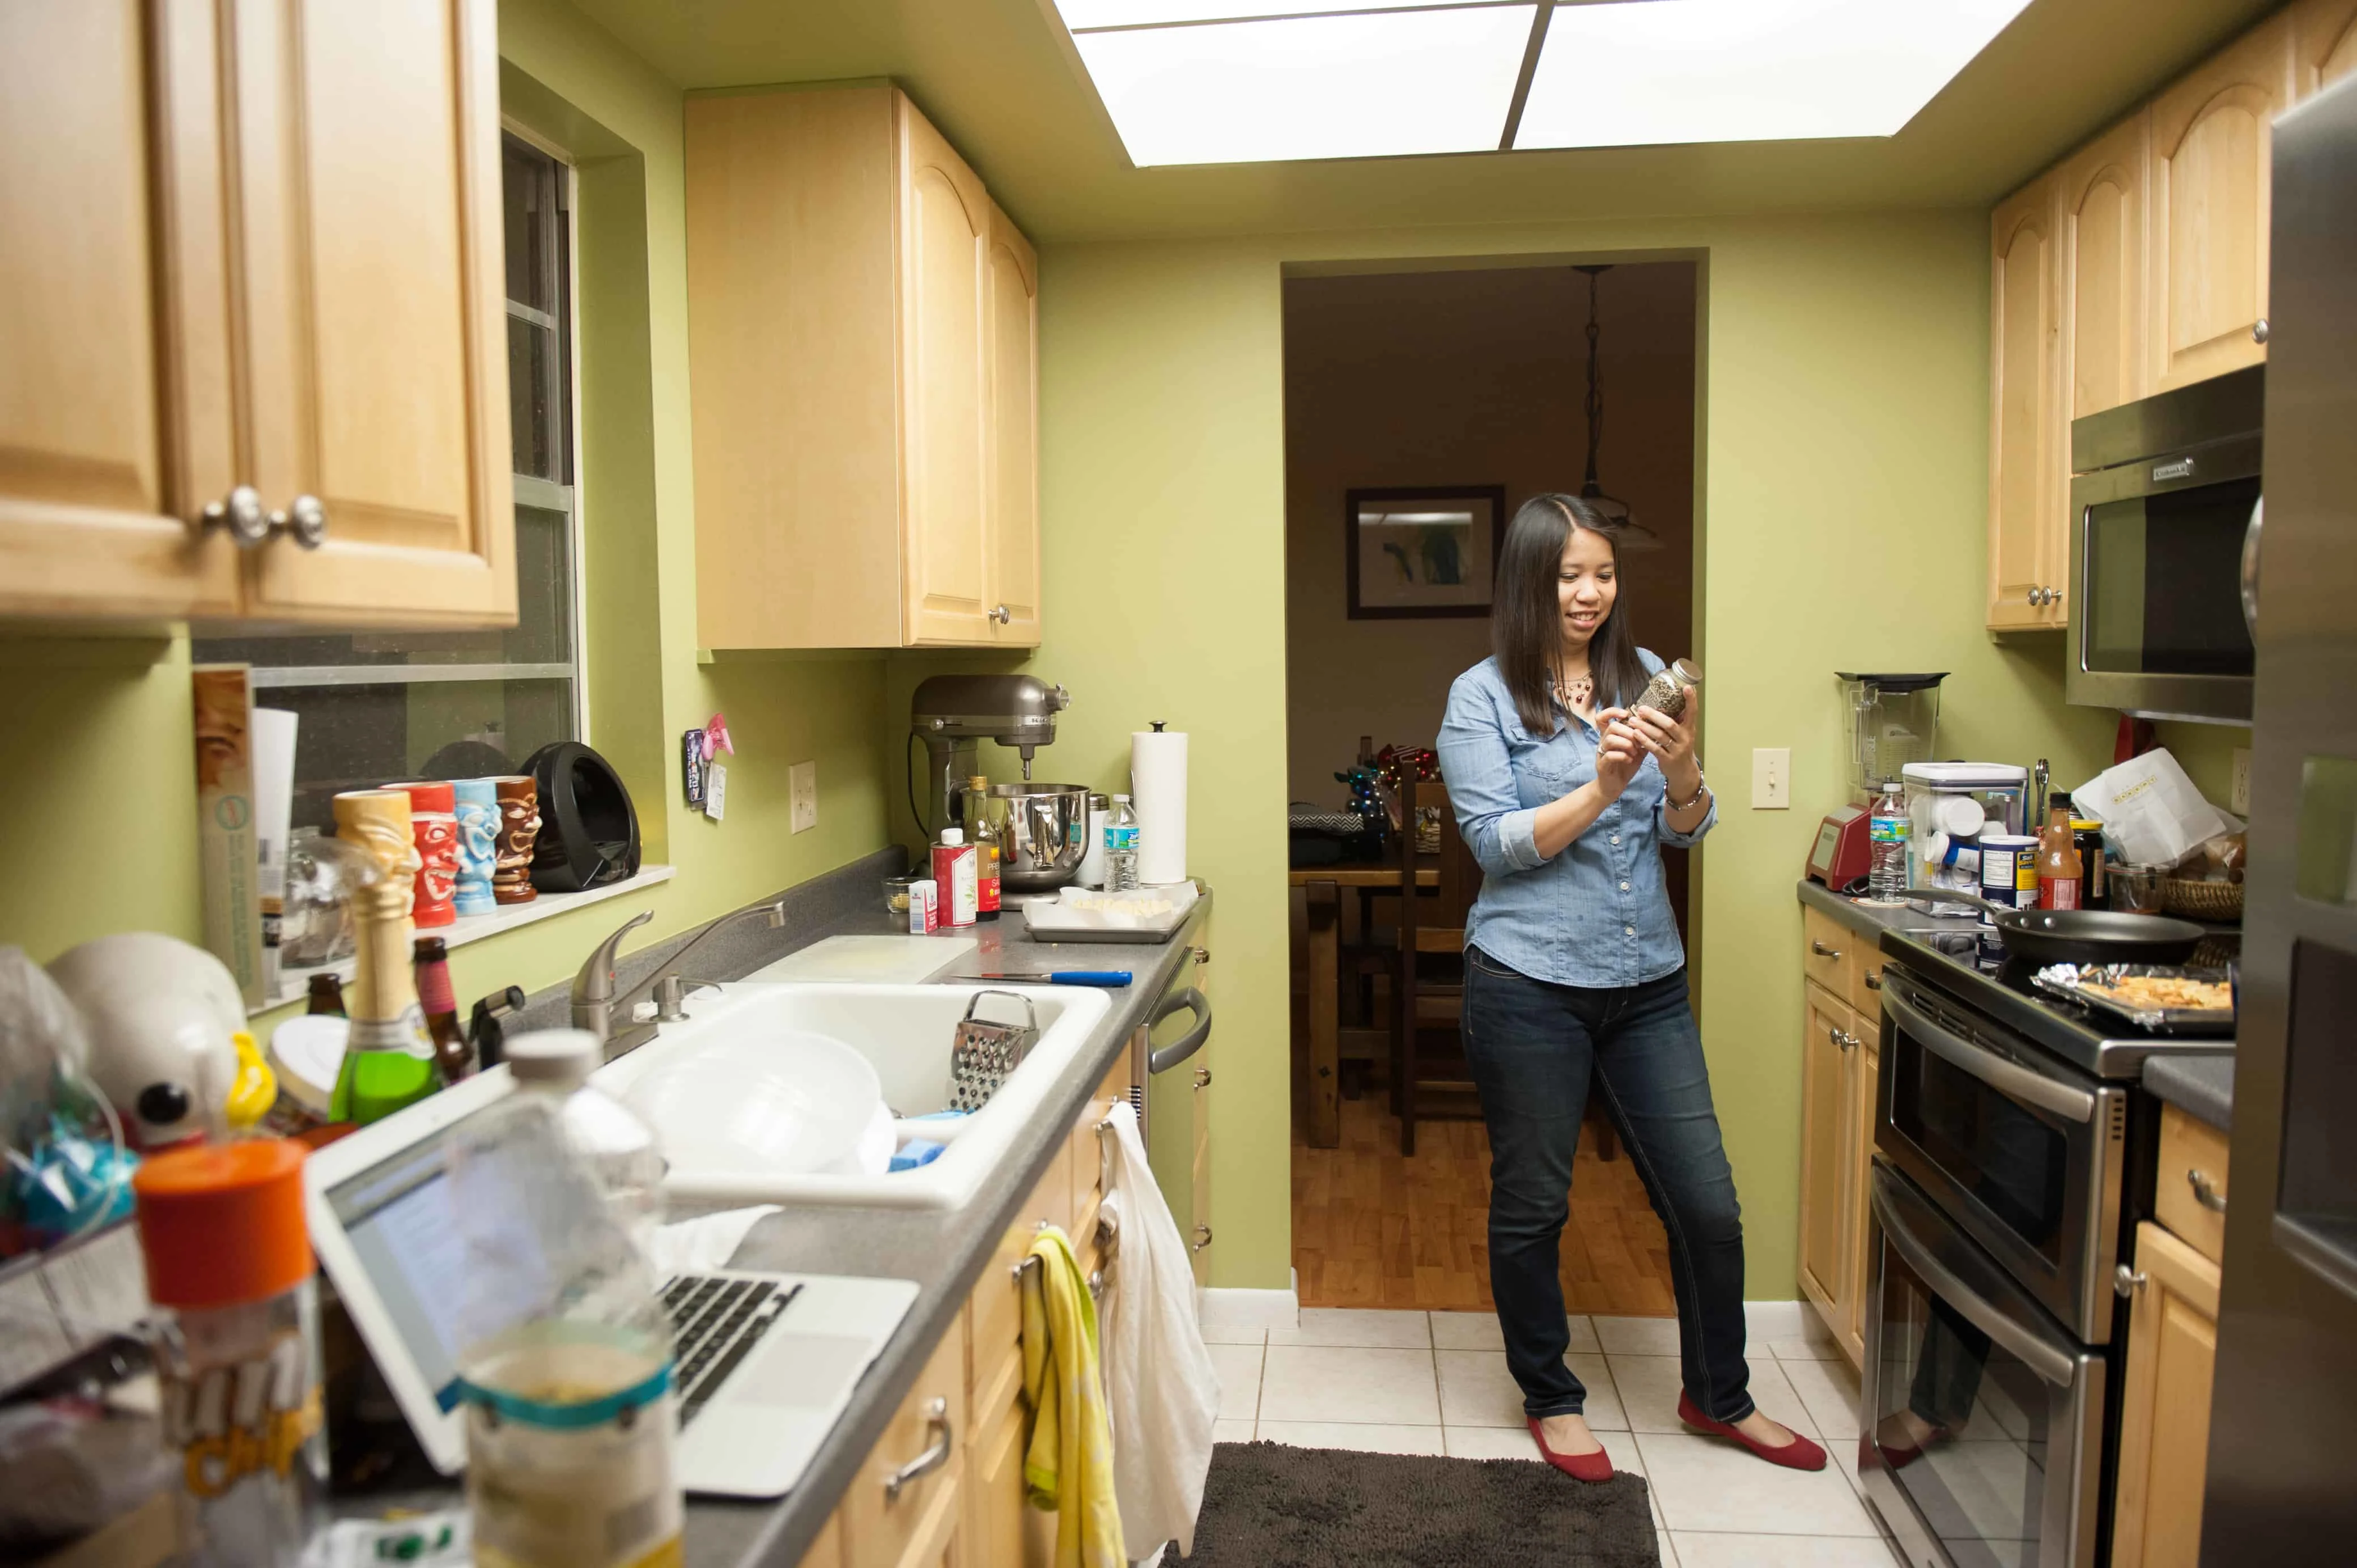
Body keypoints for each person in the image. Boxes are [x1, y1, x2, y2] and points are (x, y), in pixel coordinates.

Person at [1435, 492, 1825, 1481]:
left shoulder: (1649, 679)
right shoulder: (1479, 698)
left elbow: (1683, 830)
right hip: (1525, 981)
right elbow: (1494, 845)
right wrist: (1600, 787)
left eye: (1602, 573)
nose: (1589, 591)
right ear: (1529, 579)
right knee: (1534, 1202)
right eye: (1569, 573)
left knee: (1707, 1204)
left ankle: (1718, 1394)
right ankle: (1551, 1397)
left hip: (1646, 979)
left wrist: (1684, 770)